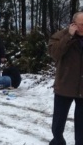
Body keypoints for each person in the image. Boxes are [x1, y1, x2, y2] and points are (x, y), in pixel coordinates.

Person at [48, 11, 83, 145]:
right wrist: (69, 36)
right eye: (81, 24)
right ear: (73, 24)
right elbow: (54, 53)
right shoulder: (60, 36)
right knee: (58, 125)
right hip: (64, 86)